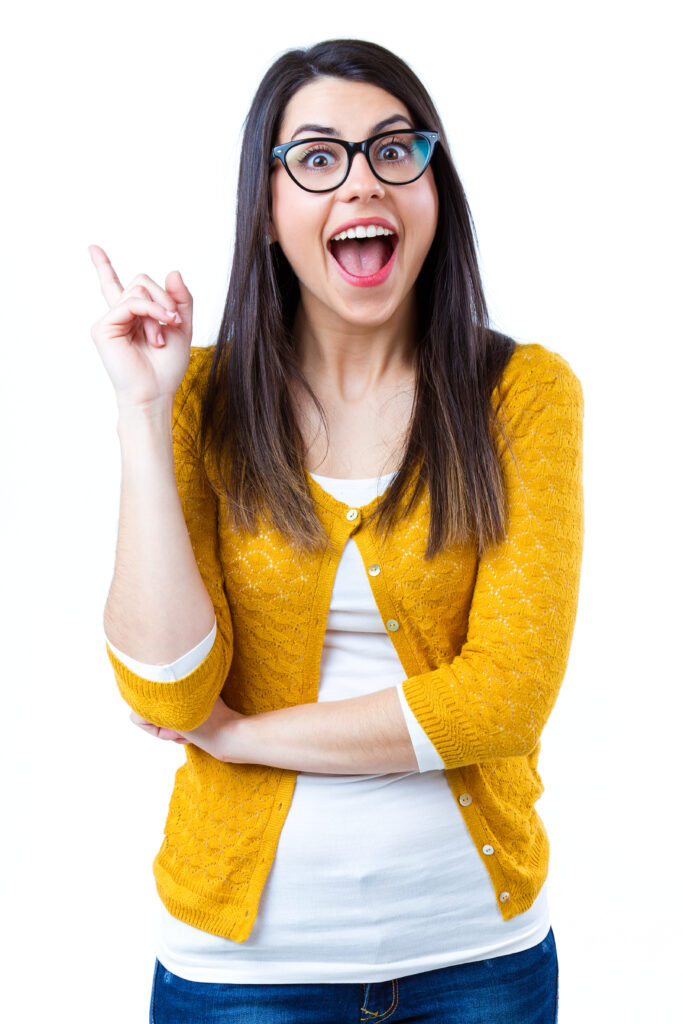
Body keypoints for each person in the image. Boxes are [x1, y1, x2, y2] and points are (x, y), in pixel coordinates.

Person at [89, 37, 583, 1024]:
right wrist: (146, 411)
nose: (362, 181)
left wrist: (238, 736)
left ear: (433, 191)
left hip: (477, 965)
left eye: (394, 150)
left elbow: (501, 702)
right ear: (267, 213)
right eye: (317, 158)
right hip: (238, 977)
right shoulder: (201, 401)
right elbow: (166, 689)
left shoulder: (520, 394)